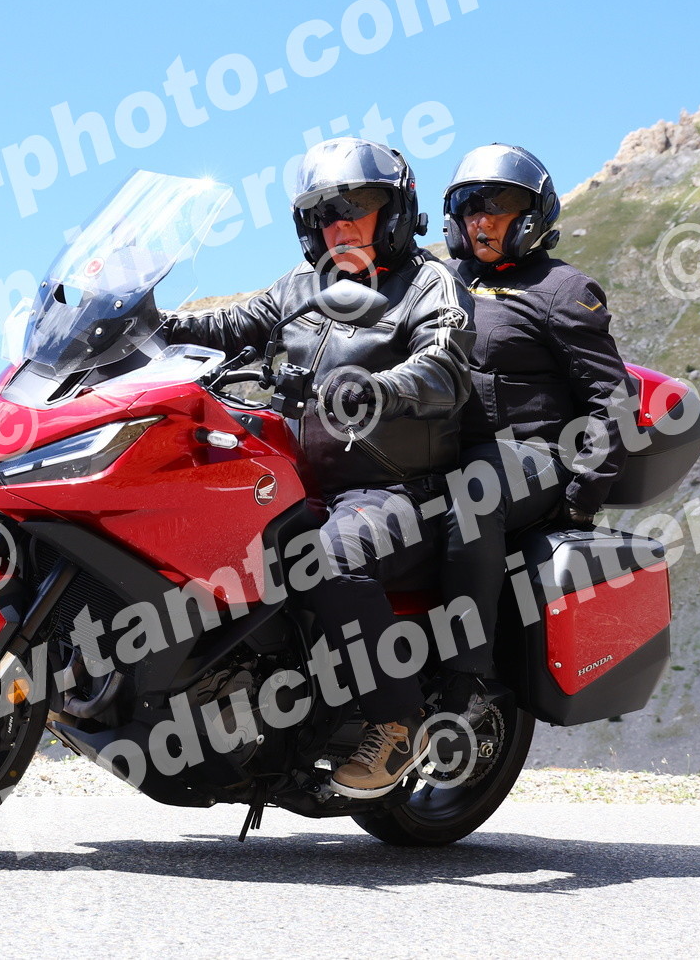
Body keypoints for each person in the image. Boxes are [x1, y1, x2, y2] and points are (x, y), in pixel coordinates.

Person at [160, 137, 475, 798]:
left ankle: (397, 719)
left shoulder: (429, 284)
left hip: (392, 488)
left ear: (395, 211)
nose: (339, 224)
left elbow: (444, 366)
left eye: (355, 206)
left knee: (326, 561)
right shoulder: (300, 289)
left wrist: (378, 389)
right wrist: (146, 323)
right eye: (324, 212)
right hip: (292, 476)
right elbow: (228, 326)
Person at [434, 143, 635, 731]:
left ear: (532, 215)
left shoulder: (562, 289)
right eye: (470, 205)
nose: (481, 218)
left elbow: (613, 398)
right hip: (447, 453)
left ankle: (466, 682)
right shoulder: (439, 282)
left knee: (474, 492)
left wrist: (581, 497)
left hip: (532, 457)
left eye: (498, 205)